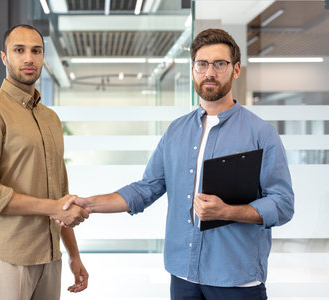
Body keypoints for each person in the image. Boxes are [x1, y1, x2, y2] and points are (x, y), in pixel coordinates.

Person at [62, 28, 294, 300]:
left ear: (236, 69)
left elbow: (282, 204)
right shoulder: (176, 131)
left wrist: (228, 211)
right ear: (193, 69)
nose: (210, 72)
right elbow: (146, 188)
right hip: (182, 275)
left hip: (235, 278)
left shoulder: (260, 133)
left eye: (220, 64)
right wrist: (89, 203)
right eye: (202, 64)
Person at [0, 24, 89, 300]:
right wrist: (54, 207)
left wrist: (73, 255)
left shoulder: (50, 119)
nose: (29, 58)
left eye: (36, 51)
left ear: (43, 57)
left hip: (48, 256)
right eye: (19, 50)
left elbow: (60, 195)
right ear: (4, 57)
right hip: (3, 255)